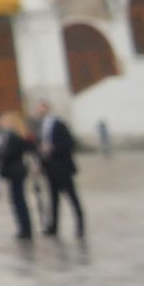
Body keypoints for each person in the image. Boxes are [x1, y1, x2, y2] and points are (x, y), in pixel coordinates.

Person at [33, 100, 85, 238]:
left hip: (63, 168)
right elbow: (38, 145)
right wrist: (39, 161)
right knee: (53, 199)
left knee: (72, 197)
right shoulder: (40, 126)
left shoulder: (59, 124)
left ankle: (80, 226)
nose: (40, 110)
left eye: (41, 107)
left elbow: (69, 143)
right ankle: (53, 226)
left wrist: (53, 148)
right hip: (49, 168)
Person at [0, 112, 35, 240]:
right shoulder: (12, 136)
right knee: (17, 200)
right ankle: (23, 228)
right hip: (15, 172)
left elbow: (8, 153)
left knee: (19, 200)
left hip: (16, 172)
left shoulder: (13, 136)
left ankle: (25, 229)